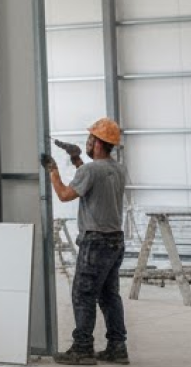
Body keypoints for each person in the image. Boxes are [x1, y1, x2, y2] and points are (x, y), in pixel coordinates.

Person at [42, 118, 130, 365]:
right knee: (109, 295)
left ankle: (82, 349)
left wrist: (53, 170)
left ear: (99, 143)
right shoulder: (118, 169)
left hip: (95, 242)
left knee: (83, 294)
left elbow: (64, 194)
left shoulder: (90, 170)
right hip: (115, 241)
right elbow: (93, 180)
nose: (87, 143)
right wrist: (76, 159)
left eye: (91, 139)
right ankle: (117, 347)